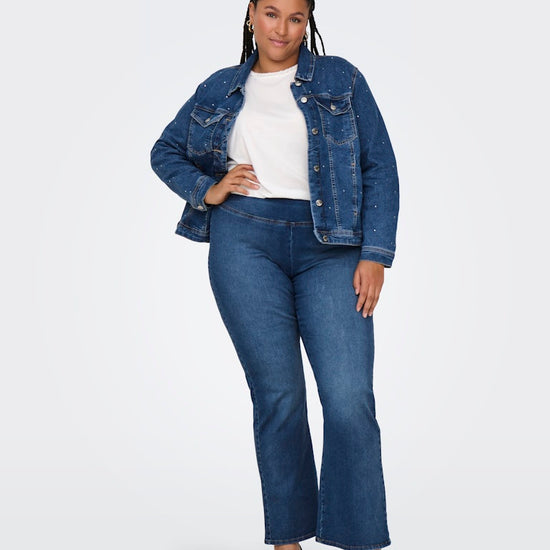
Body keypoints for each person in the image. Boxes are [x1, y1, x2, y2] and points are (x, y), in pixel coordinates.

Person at [150, 1, 399, 548]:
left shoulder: (341, 79)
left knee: (349, 398)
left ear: (307, 21)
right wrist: (208, 189)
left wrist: (376, 254)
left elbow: (379, 165)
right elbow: (164, 151)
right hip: (245, 242)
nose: (282, 29)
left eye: (294, 17)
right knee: (279, 396)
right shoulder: (219, 87)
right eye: (270, 13)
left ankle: (356, 538)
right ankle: (287, 540)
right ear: (250, 15)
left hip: (332, 245)